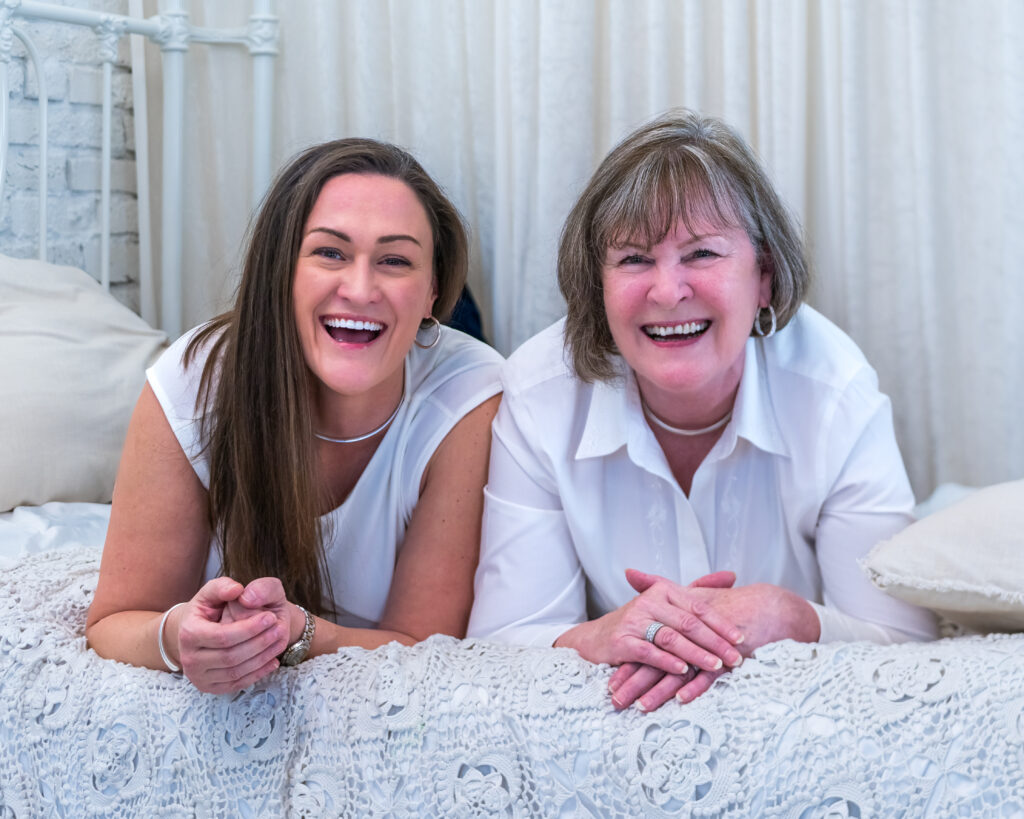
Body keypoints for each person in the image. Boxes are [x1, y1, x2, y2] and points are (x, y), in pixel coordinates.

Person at [467, 109, 937, 712]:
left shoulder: (834, 390)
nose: (668, 291)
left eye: (703, 253)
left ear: (763, 277)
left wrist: (792, 617)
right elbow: (498, 645)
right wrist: (597, 635)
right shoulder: (538, 394)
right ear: (598, 286)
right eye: (634, 259)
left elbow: (906, 643)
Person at [87, 139, 502, 693]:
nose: (359, 289)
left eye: (395, 260)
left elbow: (427, 646)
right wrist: (177, 635)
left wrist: (301, 634)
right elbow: (114, 623)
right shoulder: (192, 381)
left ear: (432, 292)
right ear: (280, 270)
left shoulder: (471, 394)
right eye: (330, 252)